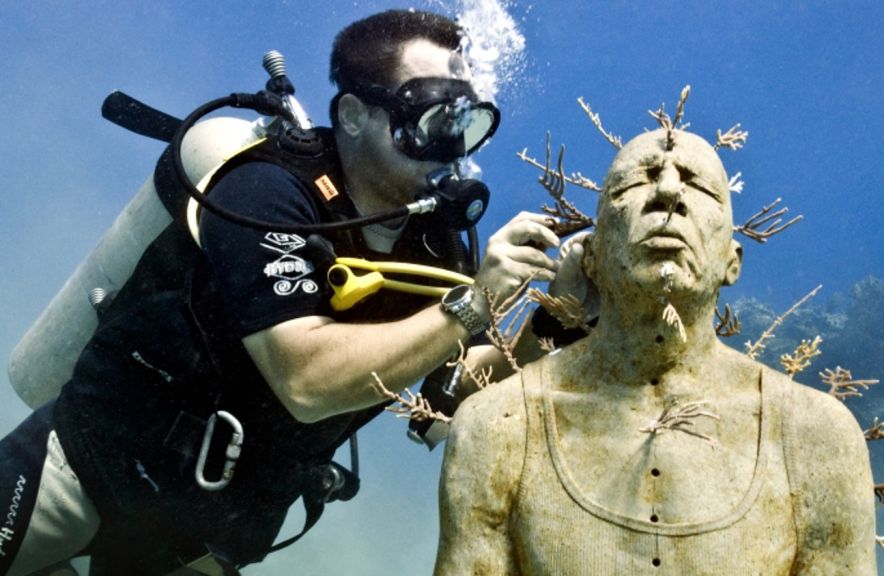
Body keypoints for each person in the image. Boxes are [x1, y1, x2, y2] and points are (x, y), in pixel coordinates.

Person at [0, 9, 566, 576]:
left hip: (208, 534)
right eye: (429, 120)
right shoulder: (265, 189)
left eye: (464, 122)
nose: (449, 148)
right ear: (354, 115)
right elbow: (304, 381)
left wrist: (560, 318)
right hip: (85, 466)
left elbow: (443, 403)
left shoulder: (440, 246)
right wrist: (473, 305)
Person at [435, 128, 878, 574]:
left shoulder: (818, 439)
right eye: (633, 183)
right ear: (591, 257)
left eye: (699, 186)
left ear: (732, 262)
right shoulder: (497, 429)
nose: (668, 192)